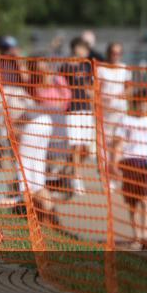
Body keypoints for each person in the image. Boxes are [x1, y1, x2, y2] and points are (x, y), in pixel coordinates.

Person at [111, 89, 147, 250]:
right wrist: (114, 164)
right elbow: (118, 144)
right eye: (141, 102)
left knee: (146, 201)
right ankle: (136, 236)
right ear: (136, 103)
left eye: (146, 103)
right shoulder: (125, 120)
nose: (143, 105)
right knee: (132, 203)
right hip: (129, 163)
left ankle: (145, 236)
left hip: (146, 164)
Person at [58, 37, 95, 197]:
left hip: (86, 109)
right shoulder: (65, 66)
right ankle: (76, 178)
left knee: (86, 148)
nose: (86, 51)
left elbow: (91, 87)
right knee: (76, 146)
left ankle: (67, 172)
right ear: (76, 48)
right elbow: (59, 86)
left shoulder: (86, 66)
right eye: (83, 48)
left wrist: (93, 102)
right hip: (72, 109)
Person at [97, 42, 132, 194]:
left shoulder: (125, 69)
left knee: (118, 145)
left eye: (118, 53)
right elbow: (95, 89)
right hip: (104, 114)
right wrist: (103, 98)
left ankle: (114, 174)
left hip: (120, 113)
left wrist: (121, 95)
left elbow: (129, 88)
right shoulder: (101, 69)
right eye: (113, 52)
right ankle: (106, 178)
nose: (115, 55)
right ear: (108, 53)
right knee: (104, 148)